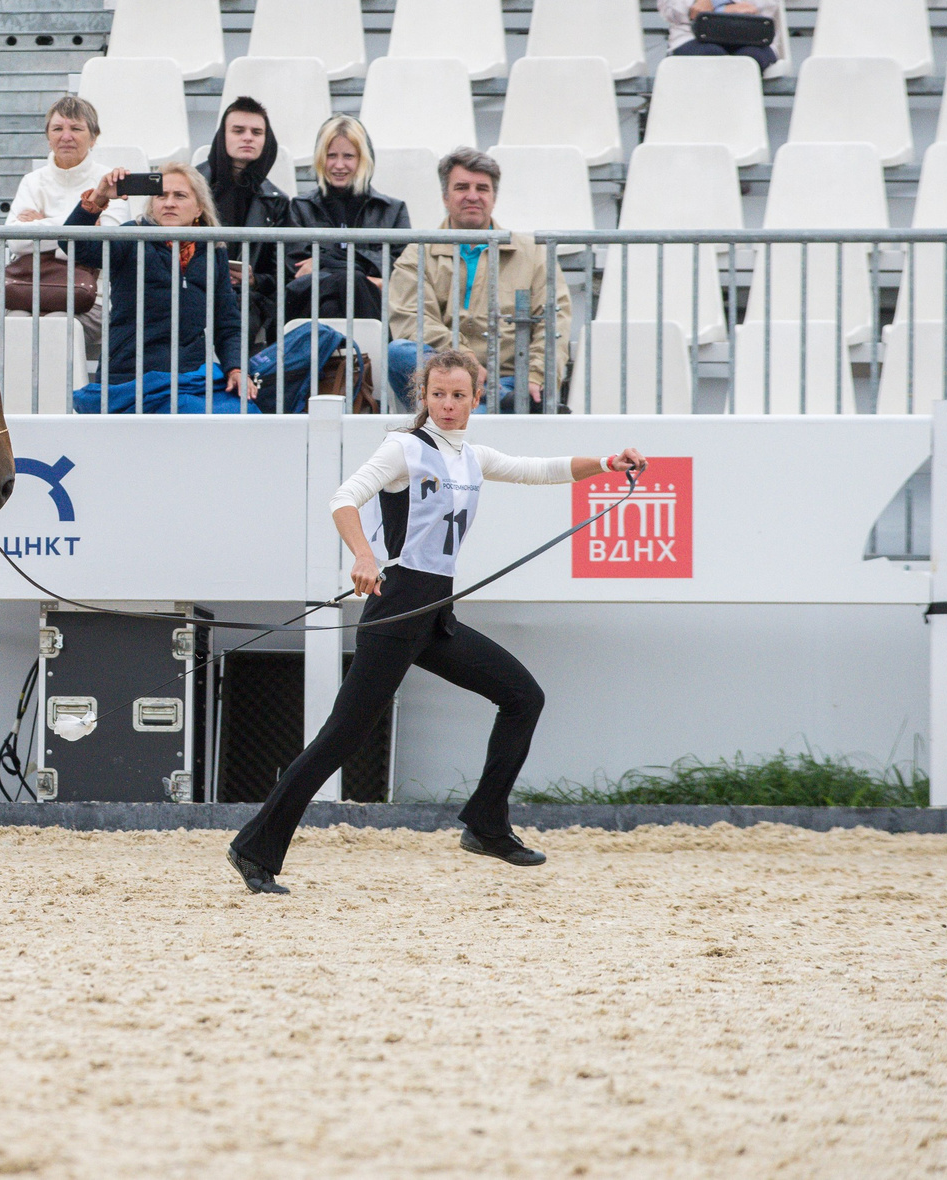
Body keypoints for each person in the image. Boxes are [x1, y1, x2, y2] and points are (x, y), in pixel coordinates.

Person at [228, 348, 646, 894]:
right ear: (423, 397)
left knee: (523, 697)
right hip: (397, 607)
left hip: (434, 614)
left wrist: (608, 464)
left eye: (459, 395)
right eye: (438, 395)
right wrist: (362, 555)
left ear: (476, 397)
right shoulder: (404, 447)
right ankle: (254, 848)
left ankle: (486, 824)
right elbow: (344, 498)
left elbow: (538, 471)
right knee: (340, 738)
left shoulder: (470, 456)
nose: (448, 405)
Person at [65, 160, 260, 414]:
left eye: (180, 196)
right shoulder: (131, 237)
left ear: (199, 207)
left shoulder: (213, 250)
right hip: (130, 375)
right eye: (161, 195)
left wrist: (235, 368)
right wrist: (99, 197)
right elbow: (72, 245)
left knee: (247, 413)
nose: (169, 203)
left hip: (189, 378)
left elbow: (228, 322)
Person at [386, 148, 570, 411]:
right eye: (462, 187)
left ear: (493, 198)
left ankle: (495, 397)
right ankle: (498, 399)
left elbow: (554, 322)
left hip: (510, 378)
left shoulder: (531, 253)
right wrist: (464, 358)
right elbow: (411, 321)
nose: (472, 196)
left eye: (482, 188)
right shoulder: (418, 253)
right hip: (443, 379)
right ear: (445, 197)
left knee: (473, 414)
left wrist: (536, 377)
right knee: (400, 351)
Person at [6, 95, 130, 341]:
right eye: (58, 129)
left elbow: (105, 249)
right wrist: (81, 225)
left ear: (93, 137)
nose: (66, 136)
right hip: (31, 291)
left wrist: (41, 227)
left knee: (57, 325)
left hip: (93, 297)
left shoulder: (110, 182)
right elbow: (17, 242)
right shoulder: (33, 181)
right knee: (13, 324)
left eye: (76, 128)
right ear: (48, 137)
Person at [286, 114, 409, 323]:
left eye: (348, 156)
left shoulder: (392, 210)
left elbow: (399, 273)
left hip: (370, 305)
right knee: (341, 294)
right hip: (312, 307)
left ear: (363, 159)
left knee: (341, 296)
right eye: (331, 155)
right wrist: (365, 275)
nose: (339, 165)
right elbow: (299, 273)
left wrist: (324, 260)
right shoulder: (301, 207)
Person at [192, 96, 291, 350]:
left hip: (246, 300)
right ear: (222, 136)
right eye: (238, 130)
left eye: (256, 132)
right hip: (190, 290)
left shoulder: (277, 202)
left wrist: (254, 279)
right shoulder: (189, 188)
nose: (248, 137)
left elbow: (281, 273)